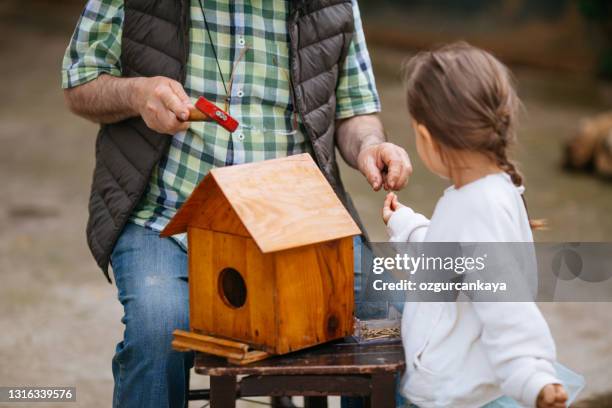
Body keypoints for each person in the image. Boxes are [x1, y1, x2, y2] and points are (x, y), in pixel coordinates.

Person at [61, 0, 412, 407]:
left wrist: (371, 146)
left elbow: (356, 112)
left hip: (298, 225)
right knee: (157, 329)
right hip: (167, 219)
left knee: (395, 317)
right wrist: (137, 93)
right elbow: (79, 81)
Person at [382, 42, 583, 408]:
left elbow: (505, 303)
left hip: (458, 396)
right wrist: (405, 224)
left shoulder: (477, 206)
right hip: (457, 385)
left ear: (426, 137)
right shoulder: (490, 192)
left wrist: (531, 375)